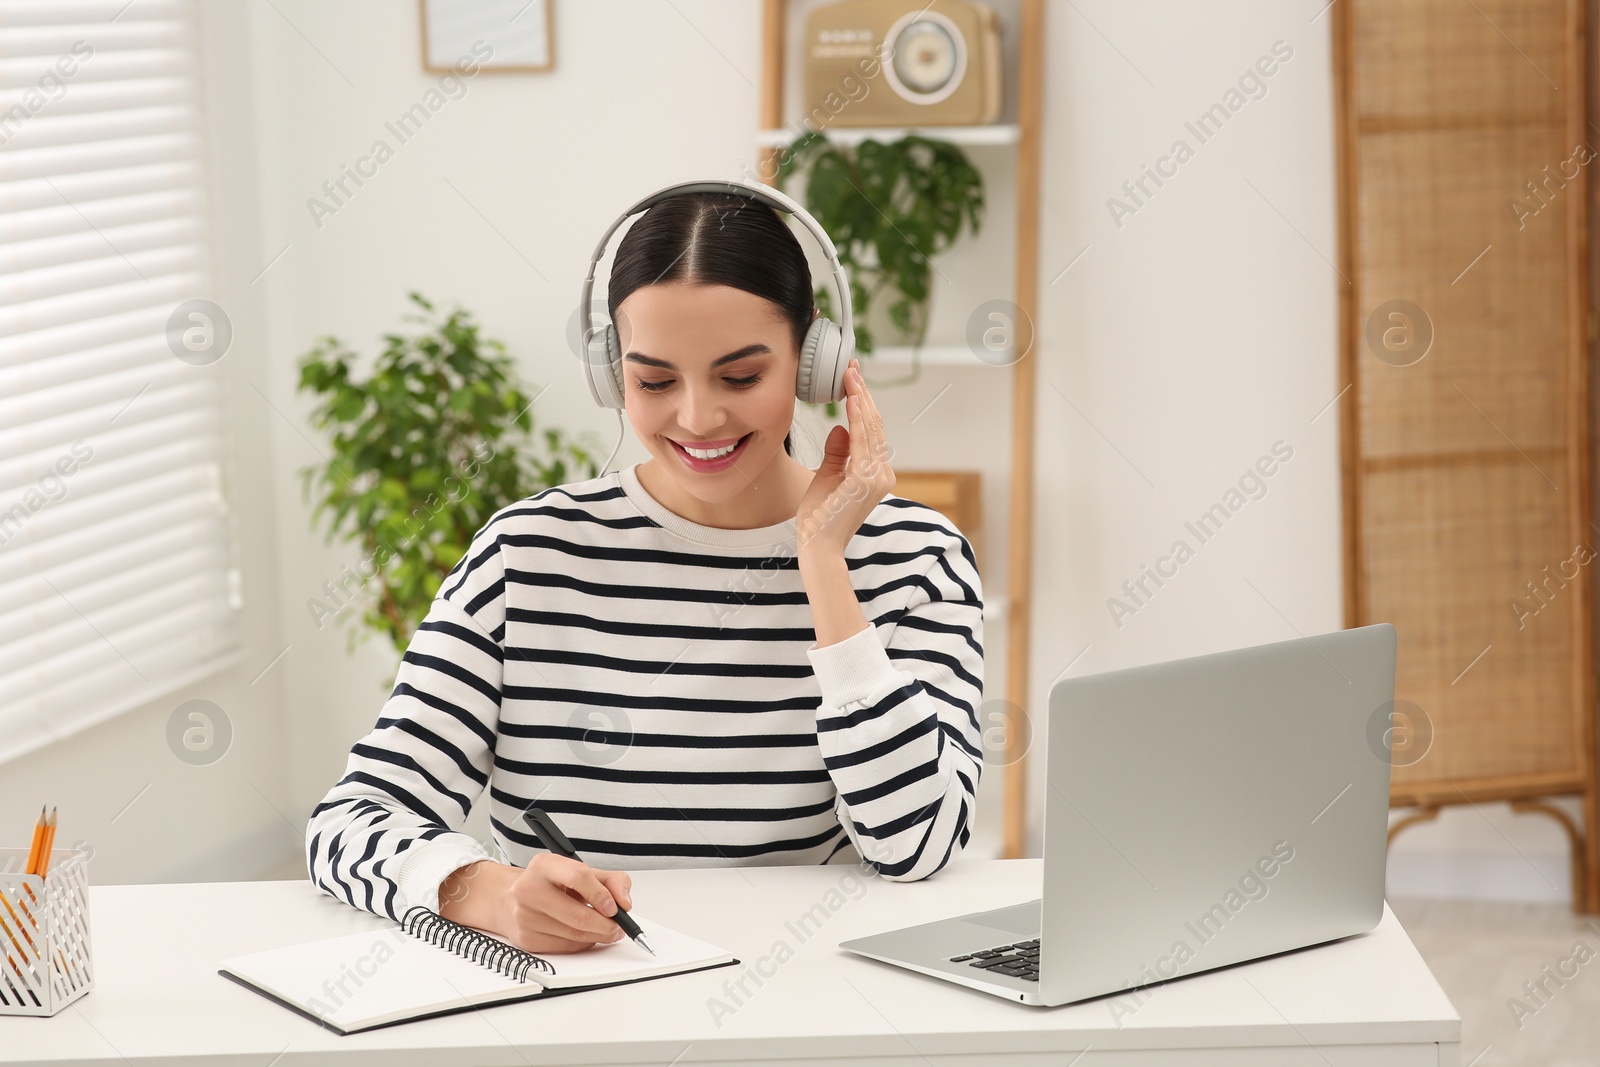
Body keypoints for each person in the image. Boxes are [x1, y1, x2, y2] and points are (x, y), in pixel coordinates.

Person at [306, 188, 985, 955]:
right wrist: (485, 892)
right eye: (655, 382)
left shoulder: (913, 556)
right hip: (576, 1005)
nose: (697, 418)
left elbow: (917, 845)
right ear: (610, 375)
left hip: (800, 1001)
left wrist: (824, 562)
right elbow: (351, 819)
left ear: (814, 363)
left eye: (740, 377)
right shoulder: (526, 555)